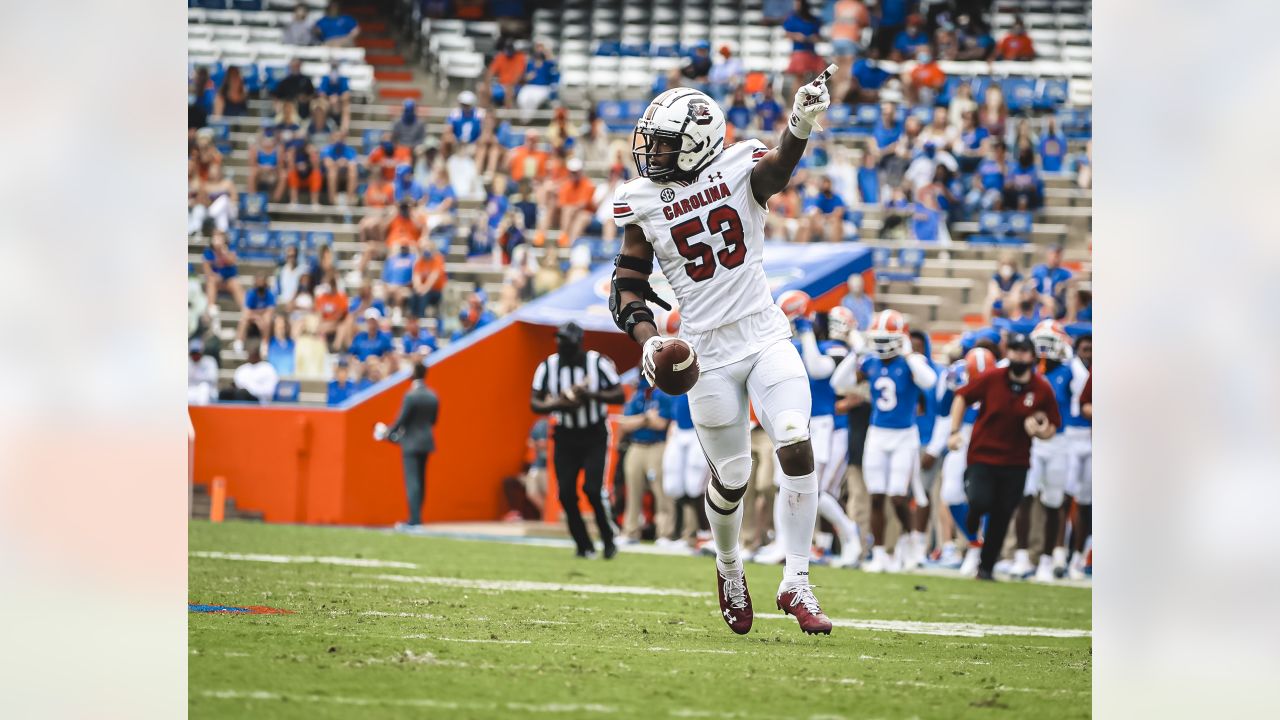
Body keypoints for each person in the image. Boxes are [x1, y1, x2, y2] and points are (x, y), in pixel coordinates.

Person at [610, 74, 838, 635]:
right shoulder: (642, 201)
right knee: (733, 475)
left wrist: (800, 124)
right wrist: (651, 341)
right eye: (651, 142)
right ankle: (729, 566)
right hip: (705, 351)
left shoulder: (738, 166)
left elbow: (777, 170)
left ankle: (797, 580)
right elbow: (627, 287)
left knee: (792, 435)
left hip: (762, 333)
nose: (652, 153)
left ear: (698, 139)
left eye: (663, 142)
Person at [945, 333, 1060, 581]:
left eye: (1023, 351)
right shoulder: (993, 378)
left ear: (1032, 356)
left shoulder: (1041, 388)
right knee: (979, 501)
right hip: (983, 454)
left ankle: (986, 567)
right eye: (1015, 351)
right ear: (1008, 354)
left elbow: (1052, 425)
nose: (1019, 356)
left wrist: (1041, 430)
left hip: (1016, 461)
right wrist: (954, 431)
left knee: (1002, 514)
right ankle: (973, 523)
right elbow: (962, 396)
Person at [830, 310, 937, 572]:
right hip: (877, 434)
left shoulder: (911, 362)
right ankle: (879, 554)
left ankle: (911, 541)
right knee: (876, 496)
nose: (880, 344)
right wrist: (856, 353)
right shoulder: (870, 363)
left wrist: (910, 353)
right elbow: (838, 382)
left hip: (904, 436)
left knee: (898, 498)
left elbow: (929, 381)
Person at [530, 322, 625, 558]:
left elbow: (619, 394)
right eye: (559, 339)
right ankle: (583, 544)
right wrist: (558, 404)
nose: (561, 344)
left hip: (593, 433)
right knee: (566, 494)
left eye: (566, 340)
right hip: (565, 434)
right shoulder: (548, 366)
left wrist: (590, 395)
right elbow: (535, 402)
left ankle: (607, 538)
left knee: (592, 489)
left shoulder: (596, 362)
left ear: (578, 342)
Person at [1008, 320, 1077, 582]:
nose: (1046, 351)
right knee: (1024, 498)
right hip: (1031, 443)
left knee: (1053, 503)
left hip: (1059, 443)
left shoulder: (1071, 372)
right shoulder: (1028, 372)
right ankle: (1022, 557)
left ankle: (1047, 560)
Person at [798, 306, 862, 567]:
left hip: (832, 427)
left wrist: (805, 334)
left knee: (818, 490)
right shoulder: (822, 346)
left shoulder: (837, 349)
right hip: (817, 422)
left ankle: (848, 534)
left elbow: (818, 369)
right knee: (808, 491)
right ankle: (820, 544)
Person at [378, 362, 440, 527]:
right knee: (421, 480)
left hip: (411, 443)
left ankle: (414, 519)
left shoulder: (411, 396)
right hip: (427, 442)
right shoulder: (433, 395)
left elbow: (401, 420)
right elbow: (433, 420)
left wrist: (387, 433)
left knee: (412, 481)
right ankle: (418, 516)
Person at [618, 375, 674, 543]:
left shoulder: (664, 394)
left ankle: (665, 532)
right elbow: (624, 423)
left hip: (657, 445)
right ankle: (630, 531)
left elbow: (661, 423)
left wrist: (639, 420)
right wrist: (646, 418)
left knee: (661, 491)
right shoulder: (638, 396)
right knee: (633, 491)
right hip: (636, 445)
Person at [1063, 335, 1092, 580]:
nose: (1090, 354)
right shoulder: (1069, 369)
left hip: (1092, 438)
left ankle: (1079, 556)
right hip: (1071, 435)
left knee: (1087, 500)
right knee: (1065, 495)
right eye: (1085, 349)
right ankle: (1059, 552)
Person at [782, 1, 825, 94]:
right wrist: (797, 36)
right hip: (799, 52)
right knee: (799, 79)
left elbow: (818, 37)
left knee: (818, 76)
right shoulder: (792, 17)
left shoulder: (813, 19)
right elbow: (786, 34)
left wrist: (812, 38)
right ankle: (796, 102)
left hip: (811, 53)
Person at [797, 176, 848, 243]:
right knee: (806, 223)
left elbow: (839, 213)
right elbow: (815, 212)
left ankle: (835, 247)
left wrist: (826, 217)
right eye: (824, 184)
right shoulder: (819, 197)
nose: (826, 186)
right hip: (821, 220)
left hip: (833, 220)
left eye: (827, 184)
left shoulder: (837, 198)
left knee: (835, 221)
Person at [517, 42, 558, 121]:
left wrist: (548, 54)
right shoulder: (530, 64)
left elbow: (554, 76)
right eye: (537, 48)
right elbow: (523, 78)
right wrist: (527, 77)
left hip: (543, 87)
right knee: (523, 98)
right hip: (529, 87)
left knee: (533, 99)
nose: (539, 50)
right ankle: (524, 119)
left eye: (541, 48)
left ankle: (527, 120)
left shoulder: (549, 64)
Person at [236, 274, 277, 352]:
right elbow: (247, 311)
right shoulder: (251, 294)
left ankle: (265, 344)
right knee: (244, 319)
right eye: (259, 282)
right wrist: (258, 317)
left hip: (264, 319)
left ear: (266, 283)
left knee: (267, 318)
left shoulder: (270, 294)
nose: (260, 284)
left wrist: (258, 314)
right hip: (253, 319)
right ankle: (239, 343)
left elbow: (270, 311)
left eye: (262, 282)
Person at [1031, 244, 1073, 319]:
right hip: (1039, 299)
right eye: (1054, 255)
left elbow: (1073, 281)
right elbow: (1032, 287)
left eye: (1058, 255)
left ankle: (1061, 321)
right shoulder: (1038, 270)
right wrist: (1042, 298)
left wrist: (1064, 284)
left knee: (1052, 301)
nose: (1055, 258)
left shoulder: (1064, 273)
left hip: (1057, 302)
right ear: (1048, 255)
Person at [487, 38, 527, 108]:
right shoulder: (500, 57)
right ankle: (486, 115)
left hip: (515, 86)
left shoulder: (520, 57)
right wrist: (488, 85)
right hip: (501, 85)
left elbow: (519, 75)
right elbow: (490, 72)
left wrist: (510, 85)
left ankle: (508, 117)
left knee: (509, 91)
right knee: (482, 89)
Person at [188, 338, 219, 406]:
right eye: (193, 353)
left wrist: (197, 376)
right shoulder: (187, 363)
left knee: (204, 387)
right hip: (191, 390)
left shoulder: (210, 361)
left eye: (197, 353)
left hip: (209, 392)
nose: (195, 355)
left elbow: (212, 379)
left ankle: (203, 414)